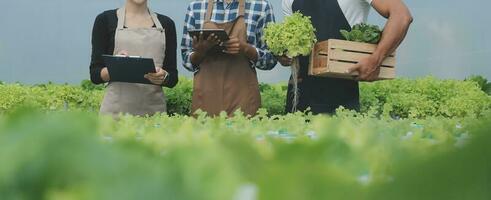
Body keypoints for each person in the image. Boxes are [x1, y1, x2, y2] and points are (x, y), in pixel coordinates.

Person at [280, 0, 413, 114]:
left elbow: (401, 16)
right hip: (297, 96)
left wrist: (375, 59)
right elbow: (292, 41)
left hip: (340, 98)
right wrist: (283, 55)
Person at [181, 0, 277, 117]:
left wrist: (246, 49)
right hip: (206, 96)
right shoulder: (196, 7)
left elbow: (271, 60)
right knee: (204, 134)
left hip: (244, 97)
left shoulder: (261, 6)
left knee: (243, 134)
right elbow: (186, 59)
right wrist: (200, 52)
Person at [89, 0, 178, 116]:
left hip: (154, 115)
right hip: (115, 115)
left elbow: (173, 77)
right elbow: (95, 74)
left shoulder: (167, 24)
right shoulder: (104, 20)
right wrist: (115, 65)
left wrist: (164, 77)